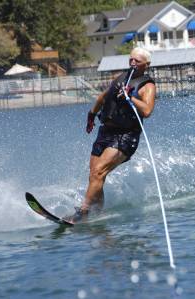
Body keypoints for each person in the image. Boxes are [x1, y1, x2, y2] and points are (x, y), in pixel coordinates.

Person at [64, 47, 156, 224]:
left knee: (99, 172)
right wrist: (91, 115)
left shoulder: (148, 86)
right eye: (131, 60)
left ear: (146, 64)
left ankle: (83, 212)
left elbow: (147, 110)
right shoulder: (120, 78)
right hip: (106, 131)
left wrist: (131, 97)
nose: (133, 63)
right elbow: (101, 98)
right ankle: (97, 214)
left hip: (126, 136)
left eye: (137, 61)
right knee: (95, 175)